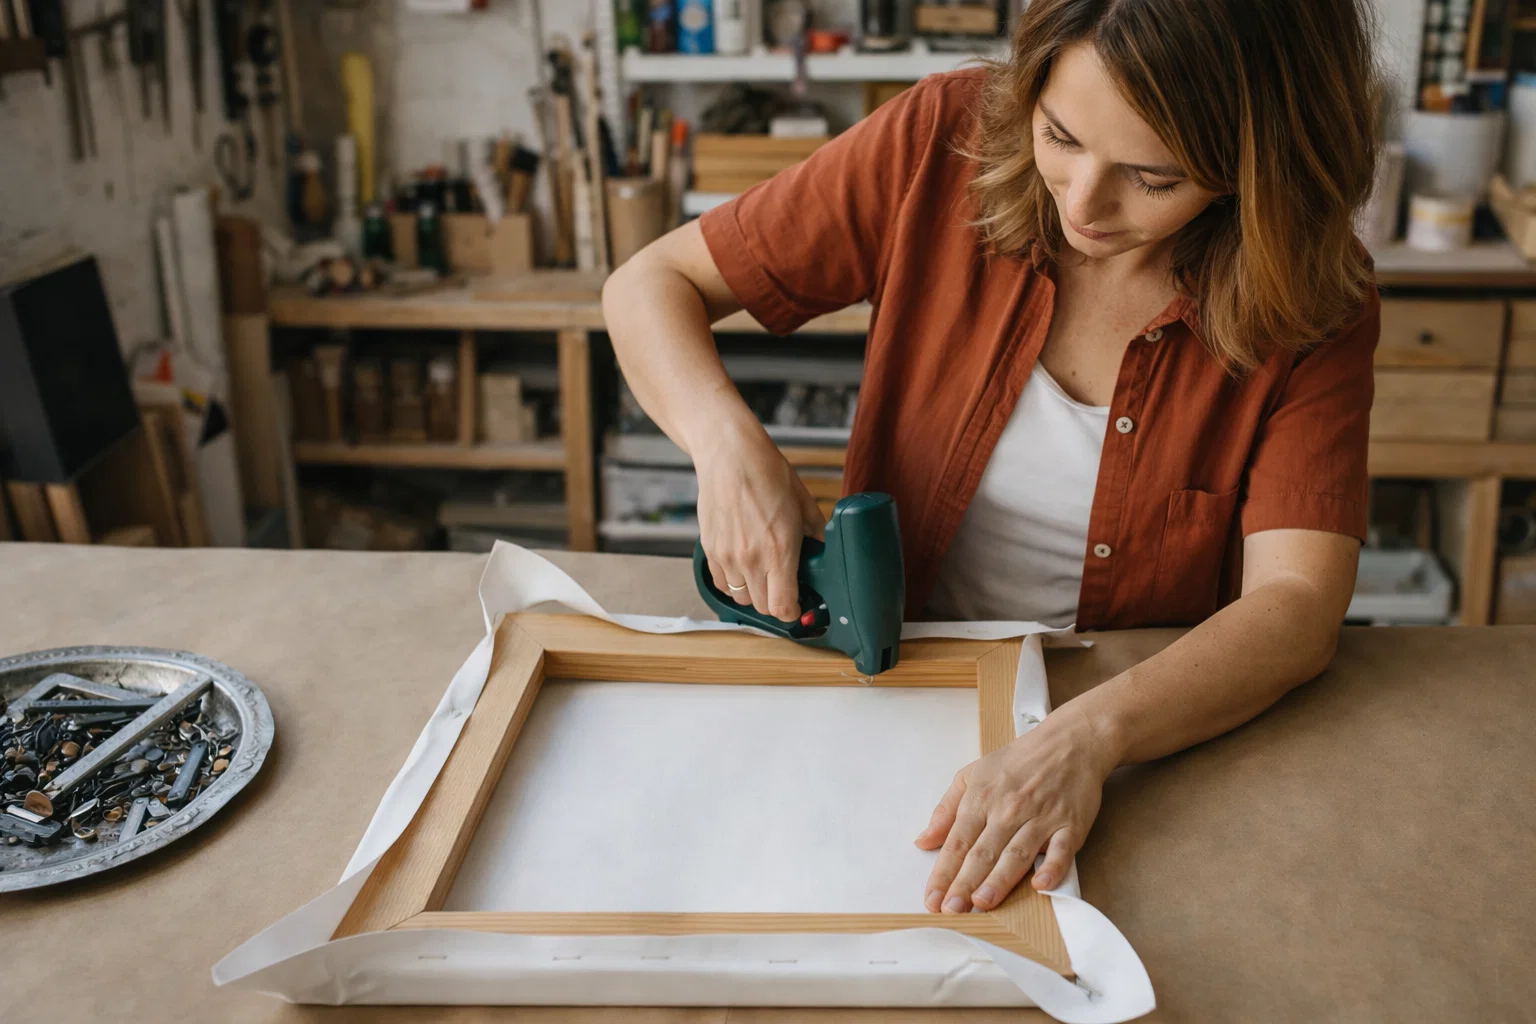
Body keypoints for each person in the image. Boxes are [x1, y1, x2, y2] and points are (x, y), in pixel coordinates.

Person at [603, 0, 1382, 916]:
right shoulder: (941, 139)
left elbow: (1296, 608)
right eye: (1061, 136)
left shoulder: (1315, 298)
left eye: (1153, 176)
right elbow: (651, 283)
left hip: (1138, 731)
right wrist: (727, 447)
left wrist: (1086, 740)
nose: (1083, 202)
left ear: (1259, 168)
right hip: (891, 683)